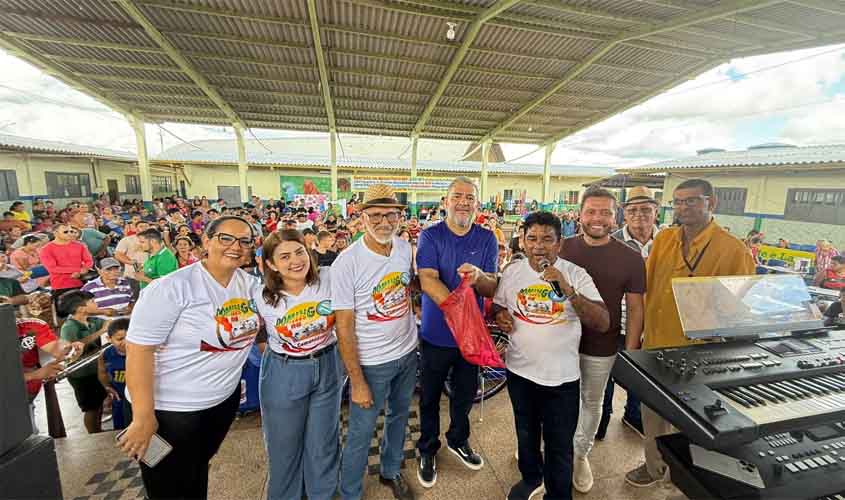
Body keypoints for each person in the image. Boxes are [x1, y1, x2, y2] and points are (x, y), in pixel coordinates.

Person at [117, 216, 262, 499]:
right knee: (166, 486)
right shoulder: (172, 287)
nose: (236, 246)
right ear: (206, 241)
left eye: (244, 241)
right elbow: (139, 351)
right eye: (225, 238)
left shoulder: (249, 285)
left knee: (195, 471)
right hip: (168, 412)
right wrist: (143, 417)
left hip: (220, 402)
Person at [625, 179, 755, 488]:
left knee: (691, 422)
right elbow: (645, 291)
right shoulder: (664, 239)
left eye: (692, 201)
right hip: (656, 345)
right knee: (653, 414)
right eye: (678, 201)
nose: (683, 207)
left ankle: (682, 479)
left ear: (712, 203)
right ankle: (654, 466)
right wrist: (637, 339)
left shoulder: (733, 250)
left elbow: (739, 312)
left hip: (701, 353)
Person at [493, 211, 608, 500]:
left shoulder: (576, 274)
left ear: (559, 244)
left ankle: (557, 493)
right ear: (522, 241)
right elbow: (499, 306)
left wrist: (568, 291)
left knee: (559, 445)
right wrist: (500, 315)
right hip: (519, 373)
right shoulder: (513, 272)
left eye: (547, 239)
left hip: (561, 379)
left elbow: (602, 322)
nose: (538, 246)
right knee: (526, 433)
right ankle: (531, 478)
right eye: (531, 238)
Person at [331, 184, 418, 500]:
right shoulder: (347, 262)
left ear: (399, 217)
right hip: (371, 363)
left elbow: (407, 289)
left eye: (391, 215)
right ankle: (350, 492)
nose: (384, 222)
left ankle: (390, 470)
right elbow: (343, 326)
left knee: (399, 416)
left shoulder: (404, 248)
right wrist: (357, 381)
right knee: (360, 431)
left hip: (407, 352)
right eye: (376, 215)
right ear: (362, 217)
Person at [559, 188, 646, 494]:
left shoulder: (631, 258)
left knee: (591, 401)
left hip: (602, 345)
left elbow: (636, 309)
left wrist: (632, 354)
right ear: (580, 214)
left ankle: (580, 454)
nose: (598, 218)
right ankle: (552, 447)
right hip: (559, 343)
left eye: (605, 212)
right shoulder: (562, 247)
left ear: (615, 216)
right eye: (591, 211)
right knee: (555, 399)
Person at [415, 177, 499, 488]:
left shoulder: (487, 238)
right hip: (436, 335)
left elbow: (491, 283)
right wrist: (459, 312)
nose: (463, 202)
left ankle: (458, 439)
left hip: (470, 339)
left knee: (464, 395)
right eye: (457, 196)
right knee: (429, 397)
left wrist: (479, 277)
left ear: (477, 204)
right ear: (445, 202)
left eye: (469, 197)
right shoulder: (431, 236)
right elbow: (427, 278)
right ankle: (427, 448)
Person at [255, 230, 341, 499]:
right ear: (270, 264)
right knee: (284, 444)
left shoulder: (329, 277)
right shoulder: (259, 294)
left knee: (323, 441)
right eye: (284, 257)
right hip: (284, 372)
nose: (295, 261)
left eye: (299, 252)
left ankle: (322, 494)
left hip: (328, 364)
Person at [598, 187, 660, 439]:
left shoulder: (667, 242)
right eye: (632, 210)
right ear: (624, 213)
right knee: (605, 376)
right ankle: (601, 419)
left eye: (646, 209)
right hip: (615, 324)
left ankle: (633, 416)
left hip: (653, 326)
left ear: (656, 212)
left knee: (642, 377)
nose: (639, 215)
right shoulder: (610, 242)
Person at [18, 311, 83, 434]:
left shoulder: (30, 326)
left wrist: (69, 350)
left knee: (28, 434)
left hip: (26, 395)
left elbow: (57, 349)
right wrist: (34, 375)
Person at [59, 290, 110, 434]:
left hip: (95, 370)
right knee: (91, 408)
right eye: (92, 302)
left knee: (99, 403)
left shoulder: (93, 321)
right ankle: (93, 435)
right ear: (81, 308)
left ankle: (98, 431)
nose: (96, 303)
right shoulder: (69, 327)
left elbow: (109, 324)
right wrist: (101, 331)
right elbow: (73, 347)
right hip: (80, 374)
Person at [39, 224, 94, 309]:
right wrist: (78, 270)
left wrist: (84, 269)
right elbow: (53, 268)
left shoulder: (79, 245)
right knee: (65, 312)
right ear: (55, 233)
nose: (69, 233)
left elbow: (89, 261)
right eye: (66, 232)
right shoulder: (46, 249)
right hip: (61, 285)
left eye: (71, 231)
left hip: (83, 283)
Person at [98, 318, 132, 430]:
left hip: (138, 398)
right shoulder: (105, 355)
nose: (125, 342)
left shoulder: (140, 352)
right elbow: (102, 373)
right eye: (120, 339)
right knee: (121, 428)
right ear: (109, 339)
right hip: (119, 398)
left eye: (129, 337)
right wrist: (107, 387)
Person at [114, 220, 150, 284]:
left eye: (146, 226)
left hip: (150, 276)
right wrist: (130, 262)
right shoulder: (126, 240)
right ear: (135, 229)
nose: (144, 228)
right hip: (132, 275)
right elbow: (118, 254)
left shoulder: (155, 240)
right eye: (141, 226)